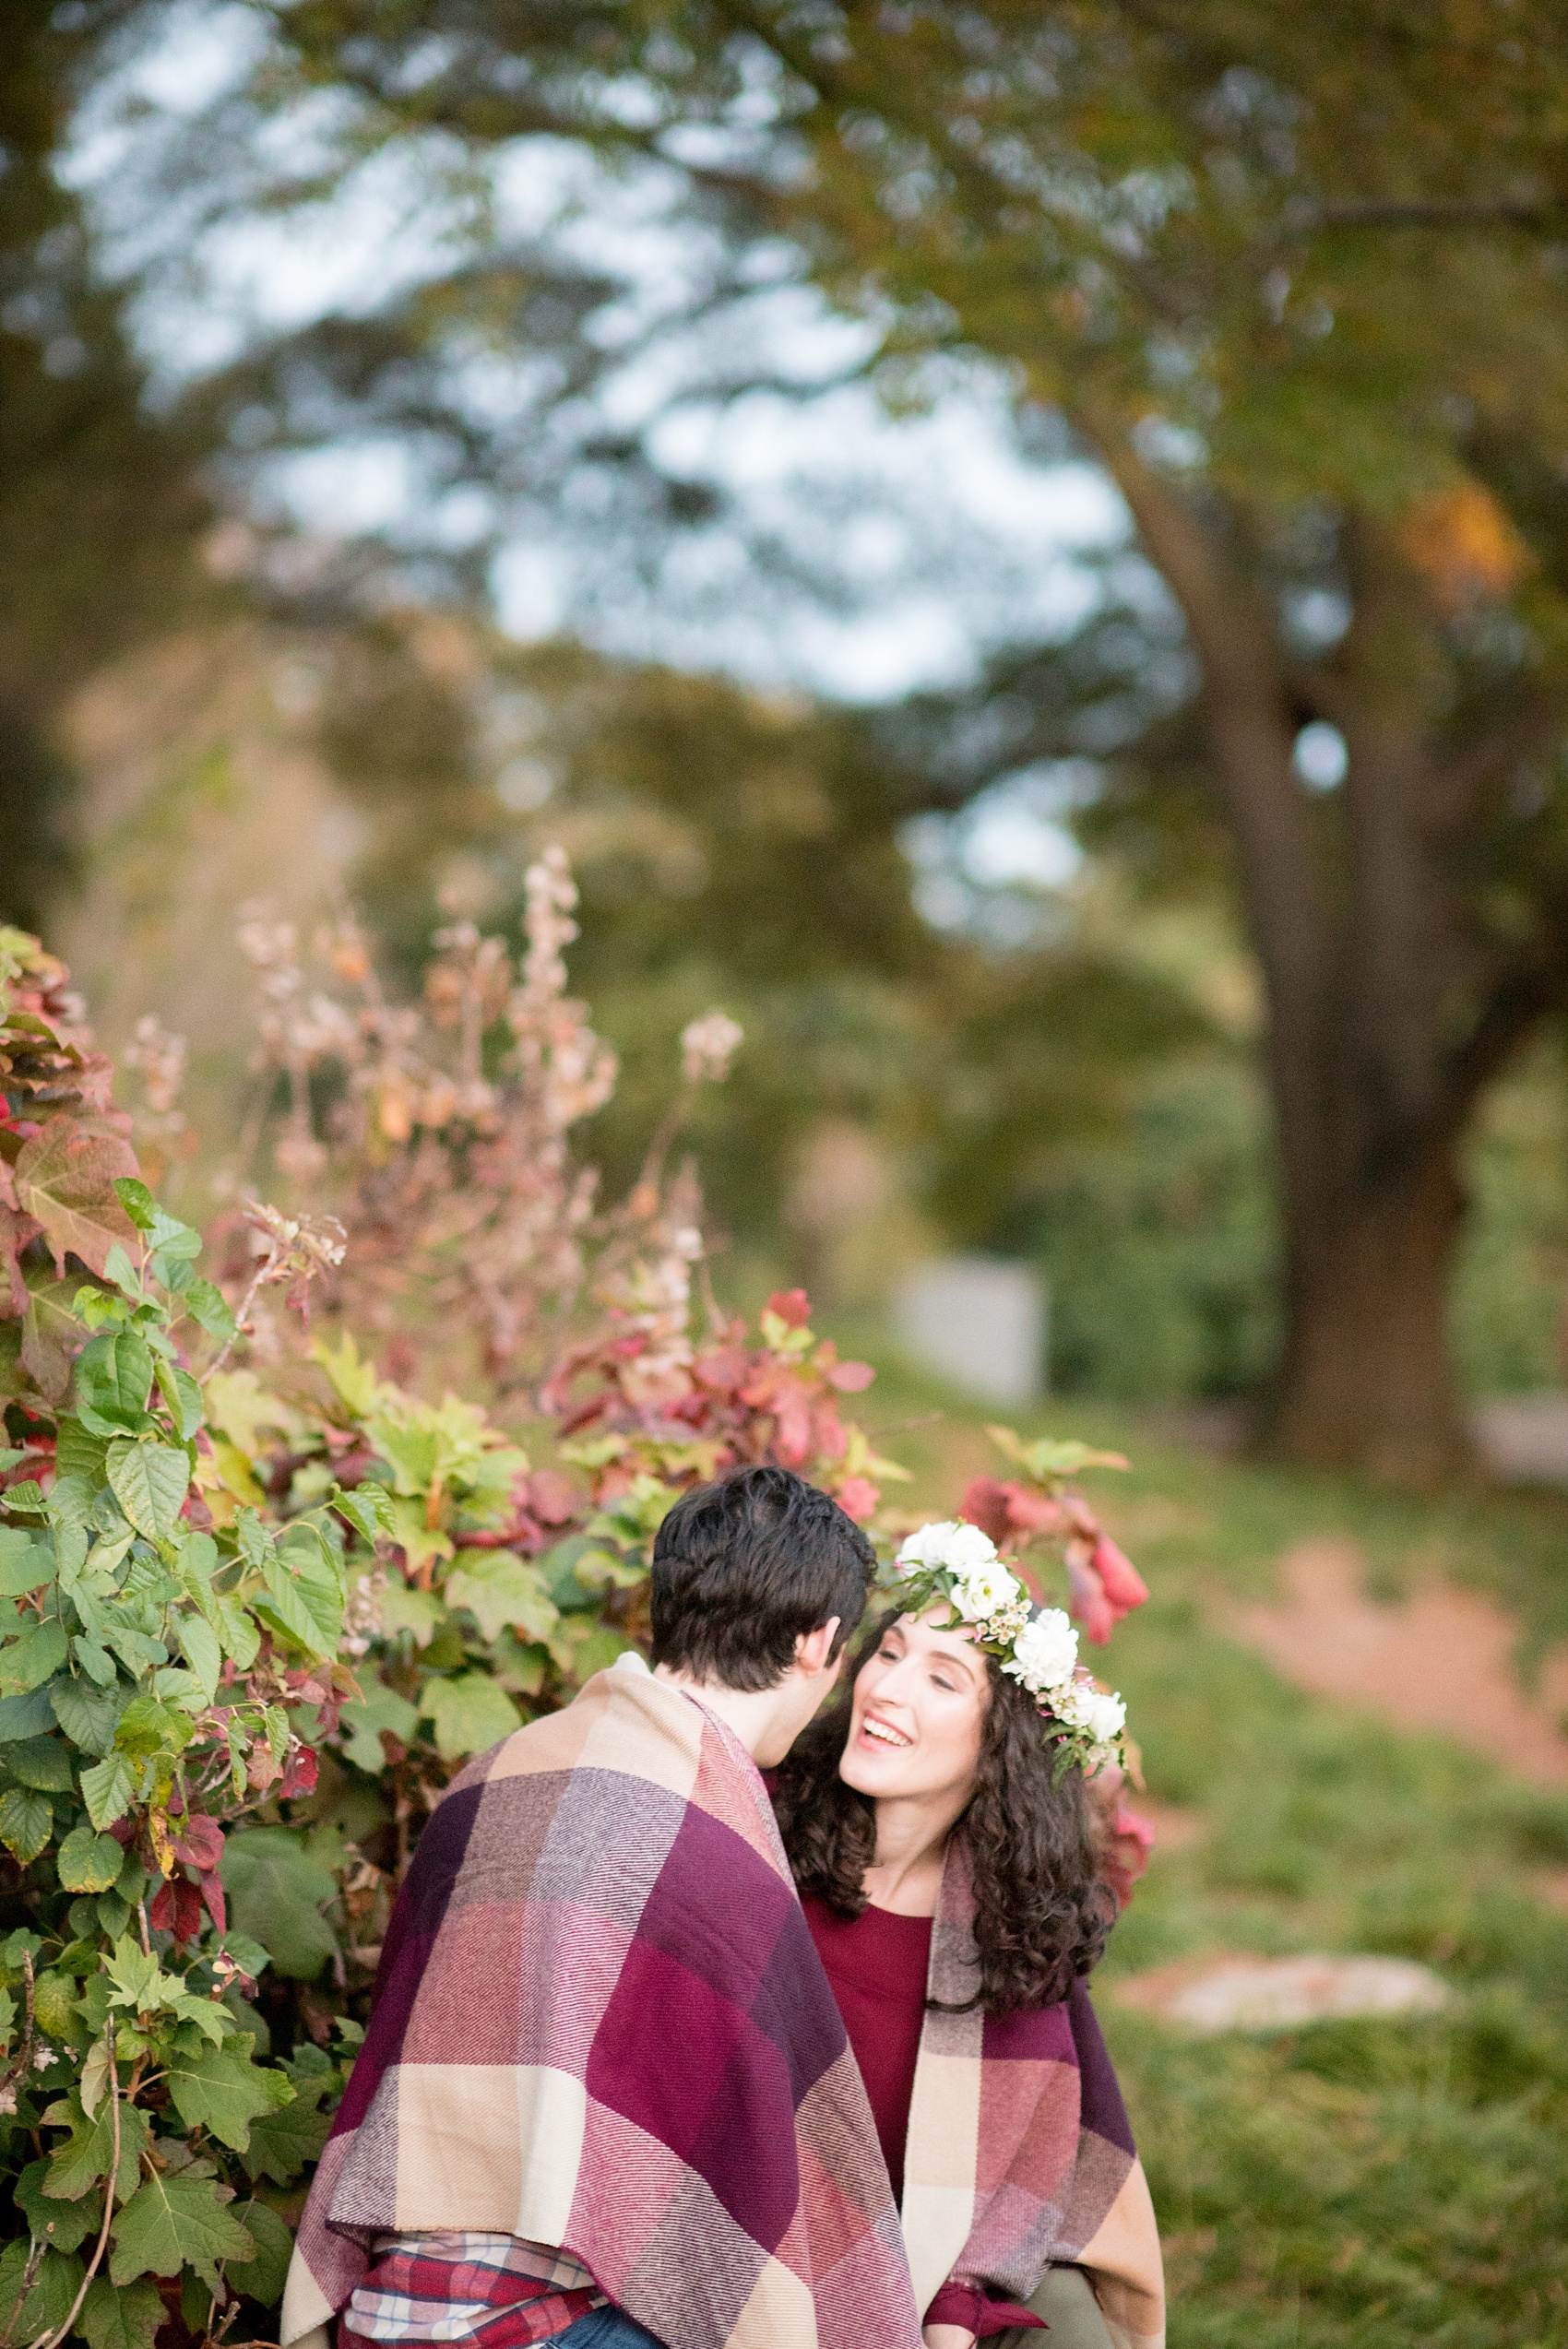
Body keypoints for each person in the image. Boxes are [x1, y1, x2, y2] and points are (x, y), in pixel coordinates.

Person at [280, 1465, 926, 2349]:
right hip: (533, 2329)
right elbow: (770, 2192)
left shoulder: (491, 1776)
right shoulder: (719, 1848)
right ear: (819, 1641)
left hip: (386, 2311)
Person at [770, 1520, 1167, 2349]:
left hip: (934, 2244)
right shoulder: (766, 1839)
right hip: (770, 2232)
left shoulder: (1008, 1927)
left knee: (1068, 2327)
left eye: (942, 1679)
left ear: (997, 1747)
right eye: (889, 1653)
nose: (888, 1690)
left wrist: (952, 2309)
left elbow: (1018, 2165)